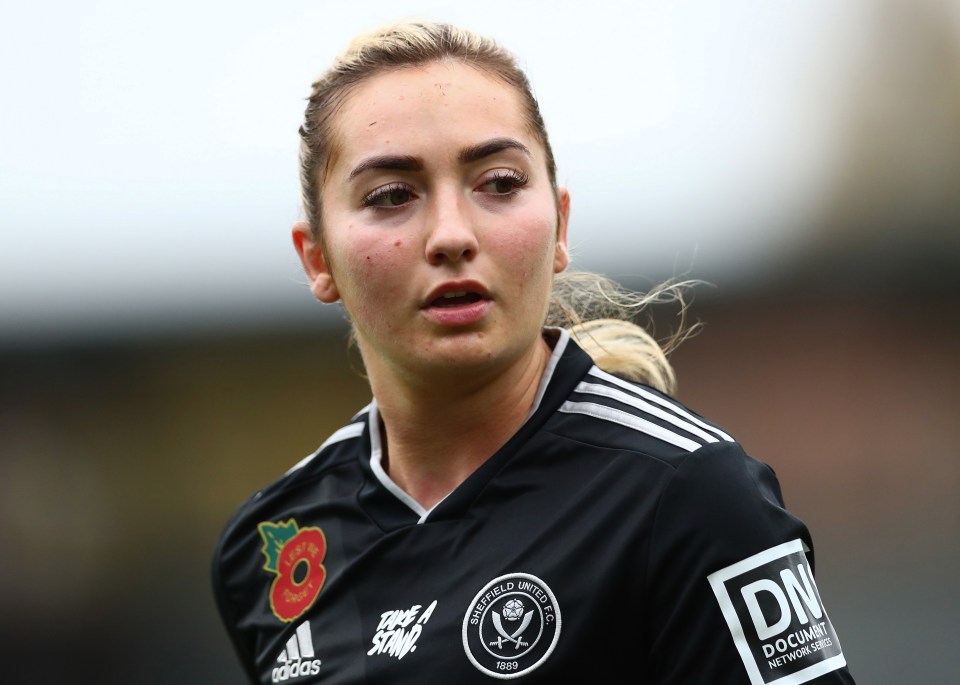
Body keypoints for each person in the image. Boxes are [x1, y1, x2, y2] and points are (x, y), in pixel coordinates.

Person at [212, 21, 856, 685]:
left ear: (560, 226)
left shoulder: (687, 493)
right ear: (318, 259)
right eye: (391, 195)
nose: (452, 235)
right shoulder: (272, 541)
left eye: (498, 182)